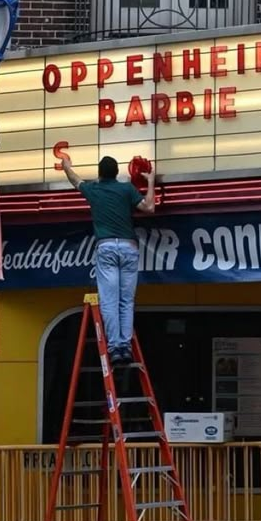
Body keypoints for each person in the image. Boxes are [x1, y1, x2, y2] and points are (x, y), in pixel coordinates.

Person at [61, 154, 155, 365]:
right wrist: (150, 181)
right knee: (126, 301)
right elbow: (149, 207)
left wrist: (67, 165)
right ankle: (126, 347)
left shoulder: (94, 189)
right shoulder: (126, 189)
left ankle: (115, 348)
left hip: (106, 248)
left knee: (109, 300)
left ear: (100, 174)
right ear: (116, 173)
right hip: (129, 247)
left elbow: (75, 180)